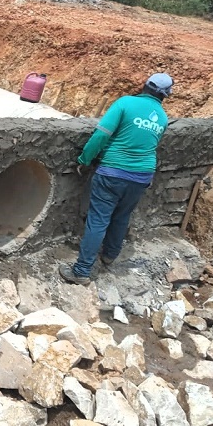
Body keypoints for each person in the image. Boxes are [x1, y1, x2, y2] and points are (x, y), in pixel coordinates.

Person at [59, 73, 174, 285]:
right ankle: (110, 254)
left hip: (114, 172)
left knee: (98, 219)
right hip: (142, 176)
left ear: (144, 86)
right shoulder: (163, 117)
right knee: (122, 215)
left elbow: (101, 135)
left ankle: (82, 271)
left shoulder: (126, 103)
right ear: (166, 95)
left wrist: (85, 159)